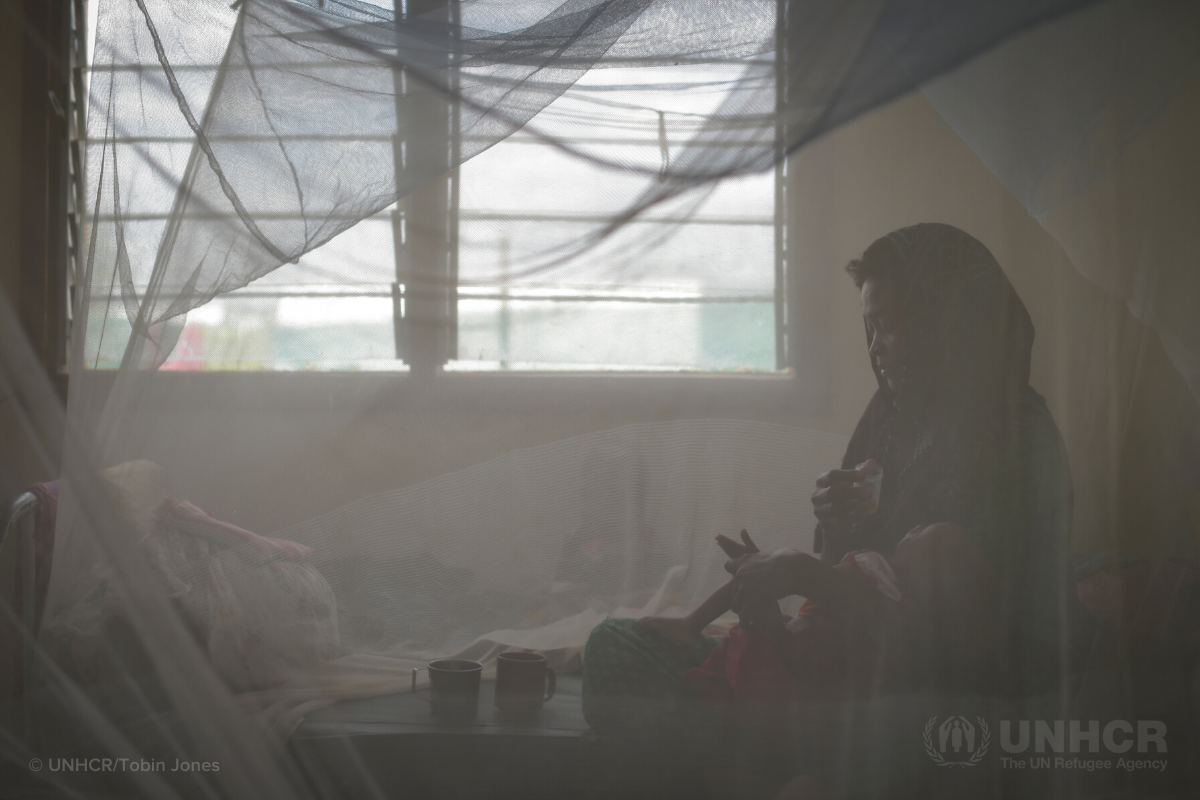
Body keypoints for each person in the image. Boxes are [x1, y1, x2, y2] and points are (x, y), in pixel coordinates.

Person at [579, 223, 1075, 794]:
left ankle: (756, 766)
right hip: (834, 664)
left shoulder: (1016, 440)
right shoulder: (890, 417)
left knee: (910, 730)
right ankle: (763, 764)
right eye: (869, 328)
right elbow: (845, 571)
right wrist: (833, 539)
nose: (875, 347)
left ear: (948, 323)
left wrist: (805, 573)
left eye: (889, 326)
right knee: (615, 648)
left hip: (938, 690)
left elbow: (958, 645)